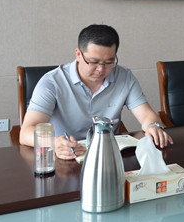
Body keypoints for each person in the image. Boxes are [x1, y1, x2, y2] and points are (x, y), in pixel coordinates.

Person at [20, 24, 172, 160]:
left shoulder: (124, 76)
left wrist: (153, 126)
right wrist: (55, 143)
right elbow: (26, 132)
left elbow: (146, 115)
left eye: (109, 62)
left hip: (108, 156)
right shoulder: (52, 82)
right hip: (67, 157)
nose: (101, 69)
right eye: (93, 62)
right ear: (78, 54)